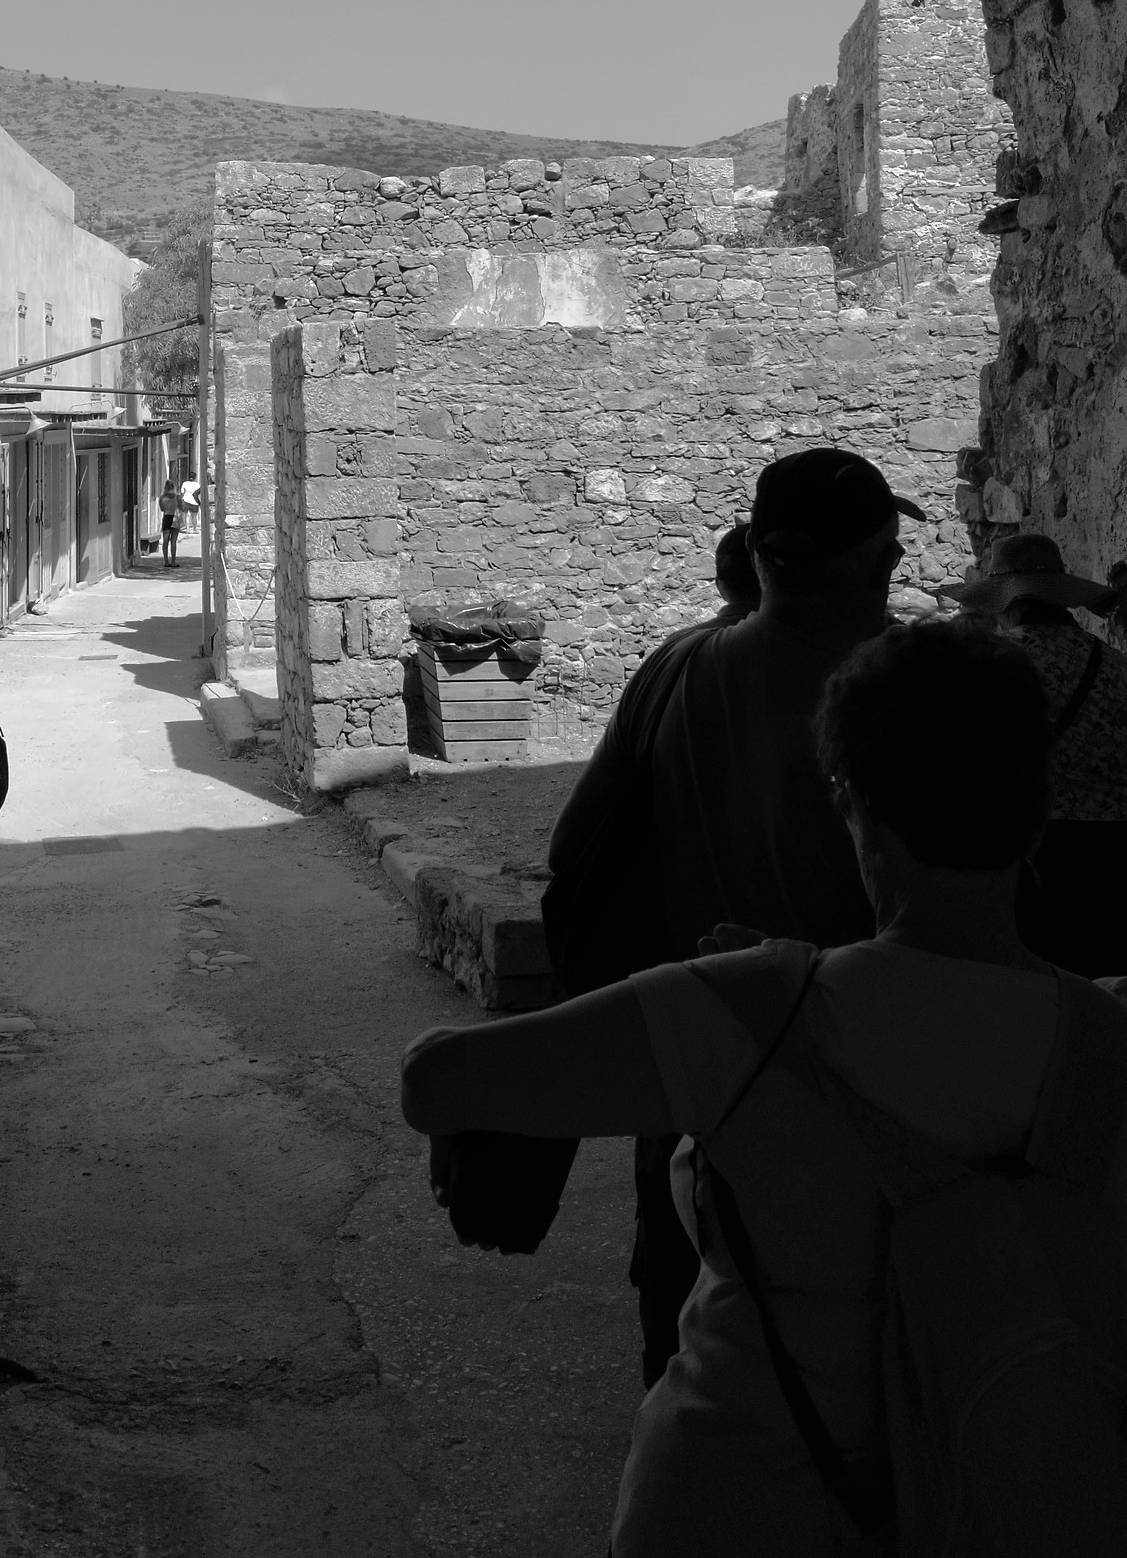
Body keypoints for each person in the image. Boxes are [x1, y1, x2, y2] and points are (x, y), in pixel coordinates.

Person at [404, 618, 1127, 1558]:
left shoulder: (746, 1014)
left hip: (742, 1506)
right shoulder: (1108, 1041)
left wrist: (757, 999)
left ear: (852, 804)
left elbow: (439, 1081)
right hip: (1020, 1505)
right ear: (1038, 813)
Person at [545, 448, 915, 1385]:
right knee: (870, 1350)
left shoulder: (673, 670)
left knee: (686, 1318)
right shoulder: (919, 685)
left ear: (755, 552)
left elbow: (574, 853)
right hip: (872, 1070)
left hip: (696, 1053)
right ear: (882, 564)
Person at [937, 530, 1127, 975]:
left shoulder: (984, 667)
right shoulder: (1118, 667)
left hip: (1029, 859)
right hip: (1116, 858)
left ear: (1006, 602)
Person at [158, 475, 181, 569]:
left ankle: (166, 561)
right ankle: (173, 562)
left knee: (165, 541)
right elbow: (182, 507)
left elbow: (162, 509)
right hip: (175, 518)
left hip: (167, 517)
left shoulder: (162, 498)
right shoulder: (177, 497)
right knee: (173, 541)